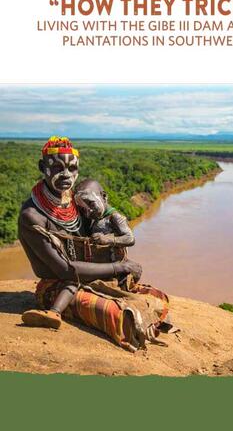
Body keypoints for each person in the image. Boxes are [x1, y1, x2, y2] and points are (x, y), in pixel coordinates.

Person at [19, 137, 143, 332]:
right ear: (43, 167)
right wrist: (118, 266)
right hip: (57, 286)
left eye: (72, 168)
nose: (66, 175)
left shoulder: (76, 201)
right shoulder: (32, 216)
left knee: (148, 299)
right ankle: (53, 313)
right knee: (122, 316)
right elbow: (64, 270)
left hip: (89, 277)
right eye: (58, 168)